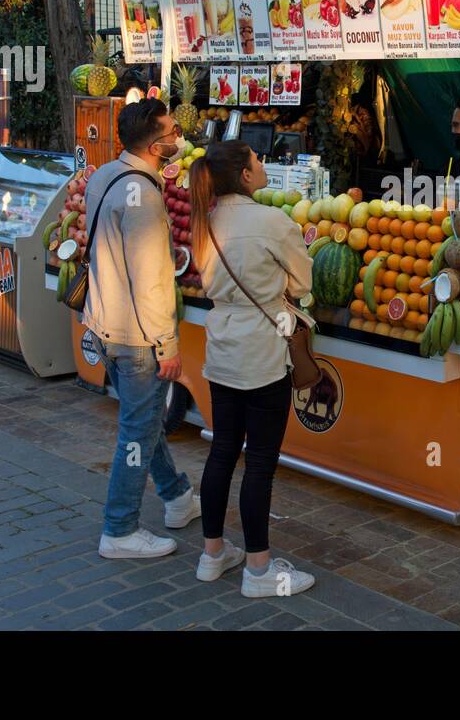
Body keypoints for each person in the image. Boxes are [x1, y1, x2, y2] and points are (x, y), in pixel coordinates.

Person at [189, 140, 316, 597]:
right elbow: (303, 281)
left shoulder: (206, 221)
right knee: (259, 463)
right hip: (263, 352)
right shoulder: (273, 221)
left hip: (221, 346)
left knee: (222, 451)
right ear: (244, 174)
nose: (263, 165)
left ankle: (212, 554)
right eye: (257, 160)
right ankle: (259, 571)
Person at [83, 98, 201, 560]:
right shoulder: (146, 199)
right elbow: (152, 281)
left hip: (102, 323)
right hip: (136, 337)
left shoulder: (101, 176)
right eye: (172, 132)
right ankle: (119, 529)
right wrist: (167, 346)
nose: (178, 138)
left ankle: (177, 498)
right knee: (136, 431)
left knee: (143, 420)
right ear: (156, 145)